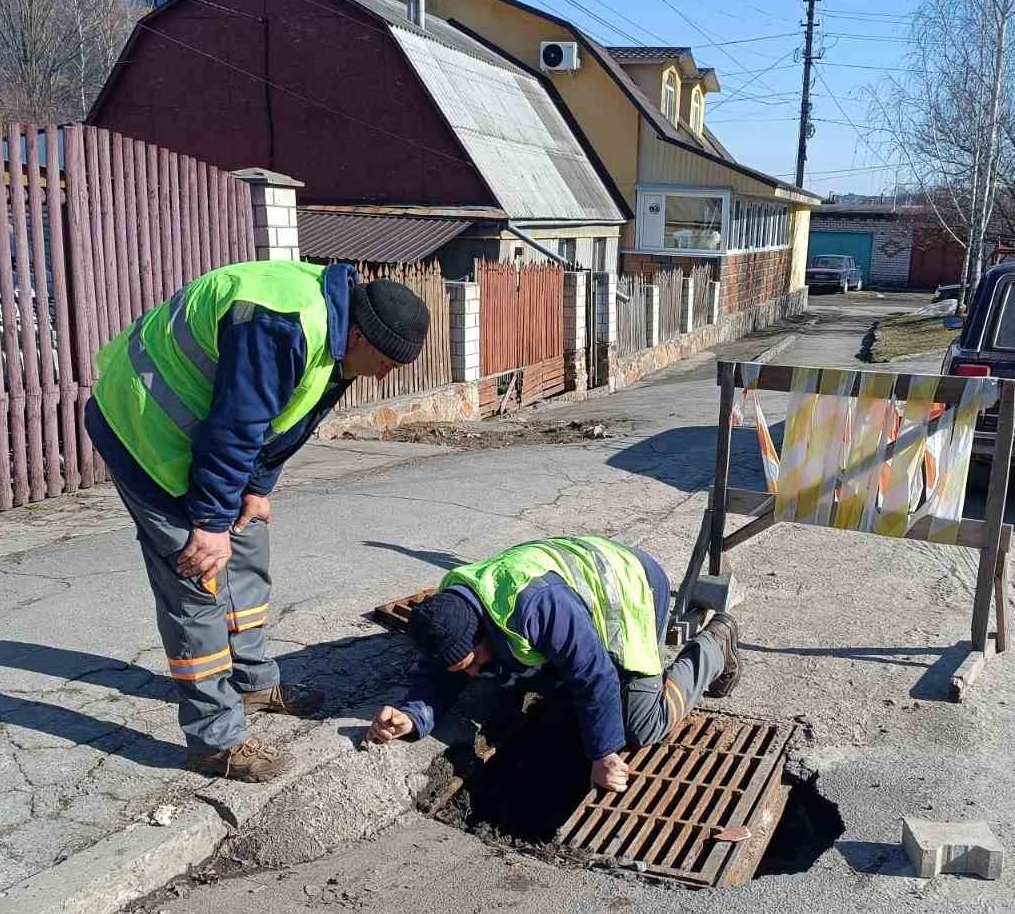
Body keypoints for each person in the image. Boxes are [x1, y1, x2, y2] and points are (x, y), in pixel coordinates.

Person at [86, 260, 429, 782]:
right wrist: (209, 522)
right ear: (359, 332)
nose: (383, 376)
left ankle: (249, 680)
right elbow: (234, 427)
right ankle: (213, 740)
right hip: (144, 430)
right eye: (382, 361)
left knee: (248, 549)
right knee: (196, 578)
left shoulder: (335, 336)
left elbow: (291, 417)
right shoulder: (280, 323)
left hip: (202, 443)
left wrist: (256, 489)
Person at [366, 535, 742, 791]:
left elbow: (595, 674)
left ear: (483, 630)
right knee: (535, 686)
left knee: (642, 724)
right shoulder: (451, 613)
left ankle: (714, 645)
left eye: (472, 660)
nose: (470, 672)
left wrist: (603, 754)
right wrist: (412, 715)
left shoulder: (537, 606)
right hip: (578, 583)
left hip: (632, 587)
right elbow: (441, 668)